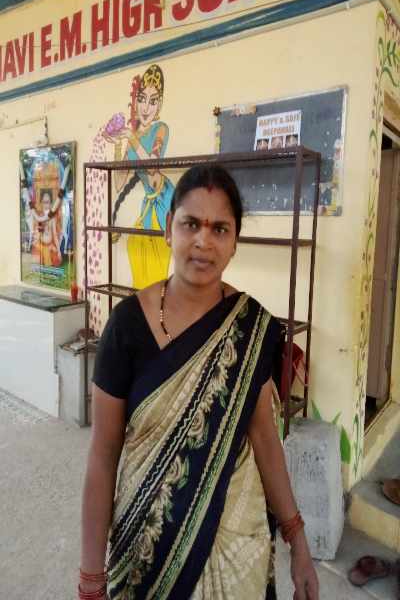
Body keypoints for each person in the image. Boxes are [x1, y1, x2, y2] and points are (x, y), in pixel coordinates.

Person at [80, 165, 319, 600]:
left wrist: (297, 539)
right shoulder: (126, 326)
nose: (203, 241)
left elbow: (266, 439)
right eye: (191, 224)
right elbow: (103, 454)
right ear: (169, 229)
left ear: (234, 242)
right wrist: (90, 578)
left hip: (234, 553)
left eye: (219, 229)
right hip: (144, 554)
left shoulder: (251, 328)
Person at [103, 64, 174, 289]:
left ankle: (157, 301)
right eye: (142, 99)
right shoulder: (133, 136)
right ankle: (143, 301)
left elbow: (152, 167)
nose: (145, 107)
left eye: (153, 101)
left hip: (163, 197)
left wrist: (131, 138)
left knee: (156, 258)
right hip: (148, 201)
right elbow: (119, 182)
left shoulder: (160, 129)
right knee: (134, 244)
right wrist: (118, 145)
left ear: (159, 104)